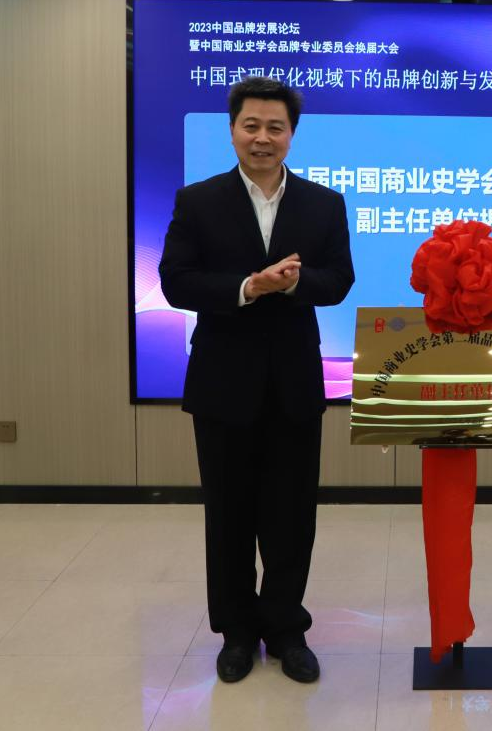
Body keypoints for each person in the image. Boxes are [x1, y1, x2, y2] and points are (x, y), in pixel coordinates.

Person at [159, 76, 354, 685]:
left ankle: (287, 628)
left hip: (295, 383)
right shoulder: (199, 200)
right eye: (252, 126)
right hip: (223, 383)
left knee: (292, 517)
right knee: (229, 516)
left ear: (291, 134)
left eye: (275, 127)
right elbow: (175, 282)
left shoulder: (323, 203)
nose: (263, 137)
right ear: (233, 130)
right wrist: (248, 287)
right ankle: (237, 632)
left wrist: (294, 284)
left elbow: (339, 280)